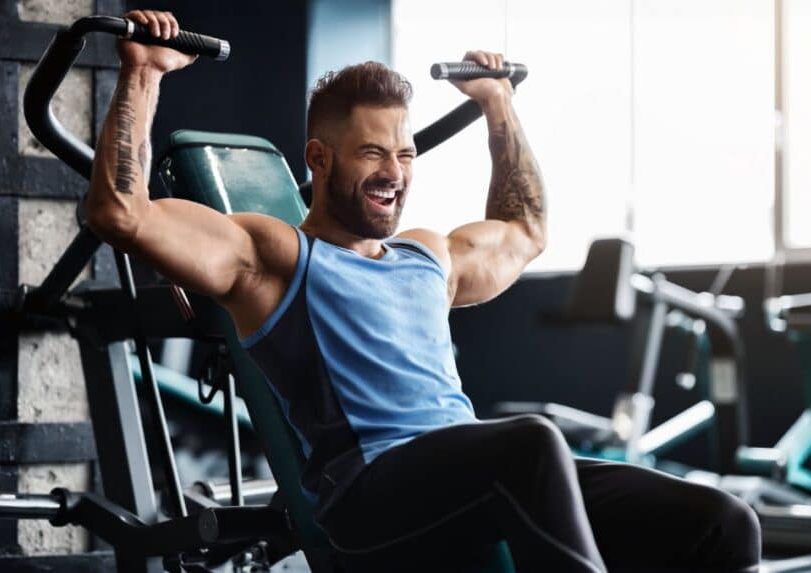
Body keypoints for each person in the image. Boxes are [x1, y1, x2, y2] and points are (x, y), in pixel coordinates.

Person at [87, 10, 761, 573]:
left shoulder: (427, 256)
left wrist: (498, 103)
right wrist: (142, 73)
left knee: (723, 522)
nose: (395, 173)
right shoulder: (278, 257)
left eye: (404, 155)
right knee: (530, 445)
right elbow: (123, 214)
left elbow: (524, 229)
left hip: (471, 480)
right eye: (372, 153)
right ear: (319, 159)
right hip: (367, 504)